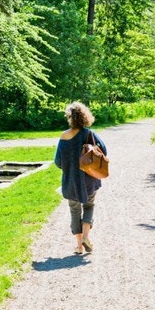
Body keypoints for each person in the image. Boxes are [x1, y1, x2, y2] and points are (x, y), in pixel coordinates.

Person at [54, 102, 107, 255]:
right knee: (89, 206)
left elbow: (58, 161)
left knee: (74, 211)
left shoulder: (63, 136)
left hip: (70, 181)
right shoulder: (88, 134)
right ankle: (86, 237)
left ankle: (78, 246)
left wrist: (70, 168)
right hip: (89, 179)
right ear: (85, 116)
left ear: (70, 118)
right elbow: (103, 150)